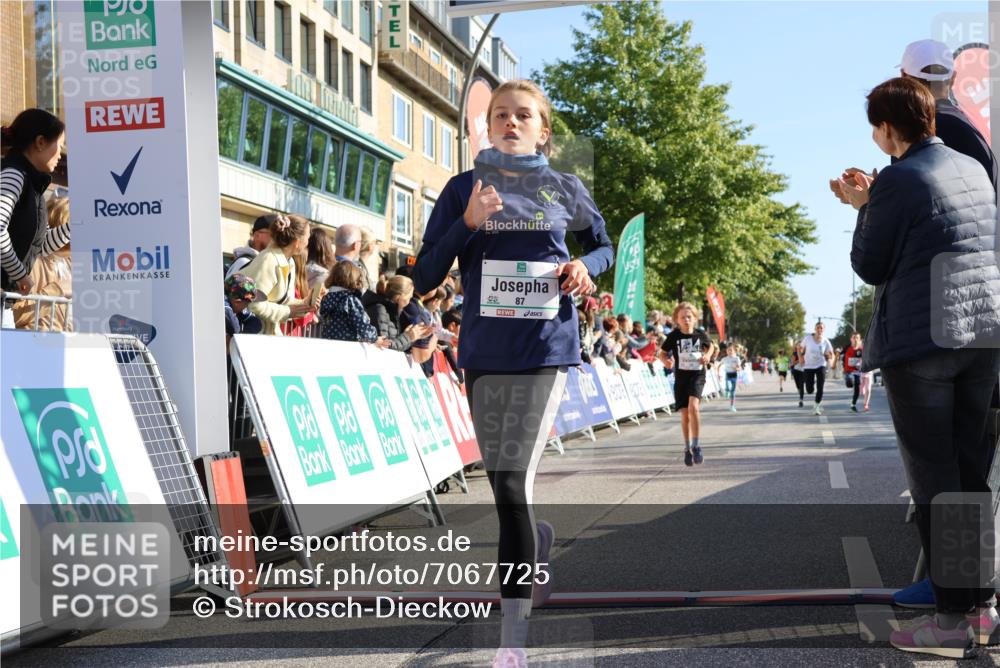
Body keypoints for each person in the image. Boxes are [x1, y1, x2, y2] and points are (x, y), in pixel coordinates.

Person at [411, 79, 613, 667]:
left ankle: (512, 644)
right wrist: (467, 223)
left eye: (524, 115)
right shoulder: (462, 189)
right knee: (509, 488)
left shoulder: (563, 187)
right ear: (487, 125)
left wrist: (583, 266)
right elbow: (425, 273)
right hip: (484, 351)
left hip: (546, 346)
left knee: (507, 482)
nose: (511, 122)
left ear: (542, 131)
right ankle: (538, 544)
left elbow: (603, 246)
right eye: (501, 114)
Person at [841, 76, 1000, 658]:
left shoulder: (899, 179)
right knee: (972, 474)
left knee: (935, 481)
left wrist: (864, 206)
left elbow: (870, 264)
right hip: (983, 335)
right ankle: (983, 608)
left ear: (887, 129)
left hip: (923, 338)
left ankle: (953, 617)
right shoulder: (974, 169)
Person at [1, 108, 68, 327]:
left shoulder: (32, 183)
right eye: (58, 146)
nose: (60, 154)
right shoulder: (14, 175)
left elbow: (38, 247)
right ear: (40, 142)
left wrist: (74, 227)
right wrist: (20, 274)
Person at [659, 302, 717, 466]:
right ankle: (687, 448)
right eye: (682, 317)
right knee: (685, 414)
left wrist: (707, 356)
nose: (686, 320)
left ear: (695, 319)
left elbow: (711, 346)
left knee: (694, 407)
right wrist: (666, 362)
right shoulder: (674, 336)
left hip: (697, 374)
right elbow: (661, 353)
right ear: (677, 319)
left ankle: (696, 445)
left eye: (689, 317)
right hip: (681, 377)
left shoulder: (700, 334)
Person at [241, 214, 315, 335]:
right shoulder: (269, 260)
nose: (308, 243)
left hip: (263, 334)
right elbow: (254, 304)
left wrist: (306, 304)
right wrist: (288, 311)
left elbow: (283, 301)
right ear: (297, 242)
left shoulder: (289, 261)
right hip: (250, 334)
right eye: (307, 238)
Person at [12, 196, 71, 331]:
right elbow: (17, 314)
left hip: (70, 346)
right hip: (34, 346)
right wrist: (58, 290)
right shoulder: (30, 262)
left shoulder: (70, 263)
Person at [320, 260, 386, 345]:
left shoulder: (327, 297)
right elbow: (361, 324)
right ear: (354, 279)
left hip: (327, 343)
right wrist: (374, 338)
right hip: (348, 346)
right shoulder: (350, 300)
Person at [364, 275, 432, 353]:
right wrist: (408, 337)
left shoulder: (392, 311)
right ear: (400, 296)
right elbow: (385, 346)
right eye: (409, 297)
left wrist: (415, 336)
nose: (409, 301)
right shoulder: (380, 309)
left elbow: (395, 343)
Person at [225, 214, 274, 279]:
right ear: (257, 235)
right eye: (273, 234)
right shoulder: (244, 263)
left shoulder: (263, 262)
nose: (277, 240)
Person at [800, 322, 834, 415]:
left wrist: (831, 362)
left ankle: (816, 405)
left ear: (824, 330)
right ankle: (812, 383)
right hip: (808, 366)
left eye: (821, 328)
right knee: (809, 390)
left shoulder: (825, 341)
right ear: (815, 329)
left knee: (820, 387)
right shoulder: (807, 339)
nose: (819, 330)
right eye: (818, 328)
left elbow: (831, 354)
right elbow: (800, 348)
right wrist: (801, 358)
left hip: (821, 365)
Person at [223, 273, 264, 346]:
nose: (246, 307)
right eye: (247, 304)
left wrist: (243, 335)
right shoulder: (224, 307)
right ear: (237, 301)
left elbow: (256, 323)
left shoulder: (234, 302)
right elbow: (235, 330)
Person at [843, 333, 865, 412]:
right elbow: (839, 353)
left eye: (857, 338)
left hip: (857, 371)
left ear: (859, 340)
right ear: (851, 339)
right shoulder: (847, 347)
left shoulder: (862, 349)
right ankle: (848, 380)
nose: (855, 339)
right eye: (854, 338)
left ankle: (853, 405)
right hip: (848, 371)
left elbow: (865, 358)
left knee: (857, 390)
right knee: (849, 383)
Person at [719, 344, 742, 412]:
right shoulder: (724, 359)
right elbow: (718, 366)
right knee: (728, 387)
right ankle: (726, 390)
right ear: (726, 351)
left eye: (731, 350)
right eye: (728, 350)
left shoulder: (736, 358)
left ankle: (732, 406)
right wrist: (718, 373)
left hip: (734, 375)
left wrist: (737, 368)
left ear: (734, 351)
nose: (729, 351)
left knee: (733, 392)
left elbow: (739, 368)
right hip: (728, 375)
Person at [790, 341, 807, 407]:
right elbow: (793, 363)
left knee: (801, 385)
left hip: (803, 371)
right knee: (798, 386)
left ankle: (801, 400)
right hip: (796, 371)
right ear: (796, 347)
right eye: (798, 345)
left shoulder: (806, 353)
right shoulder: (795, 354)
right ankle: (800, 393)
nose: (799, 346)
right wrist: (800, 360)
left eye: (800, 345)